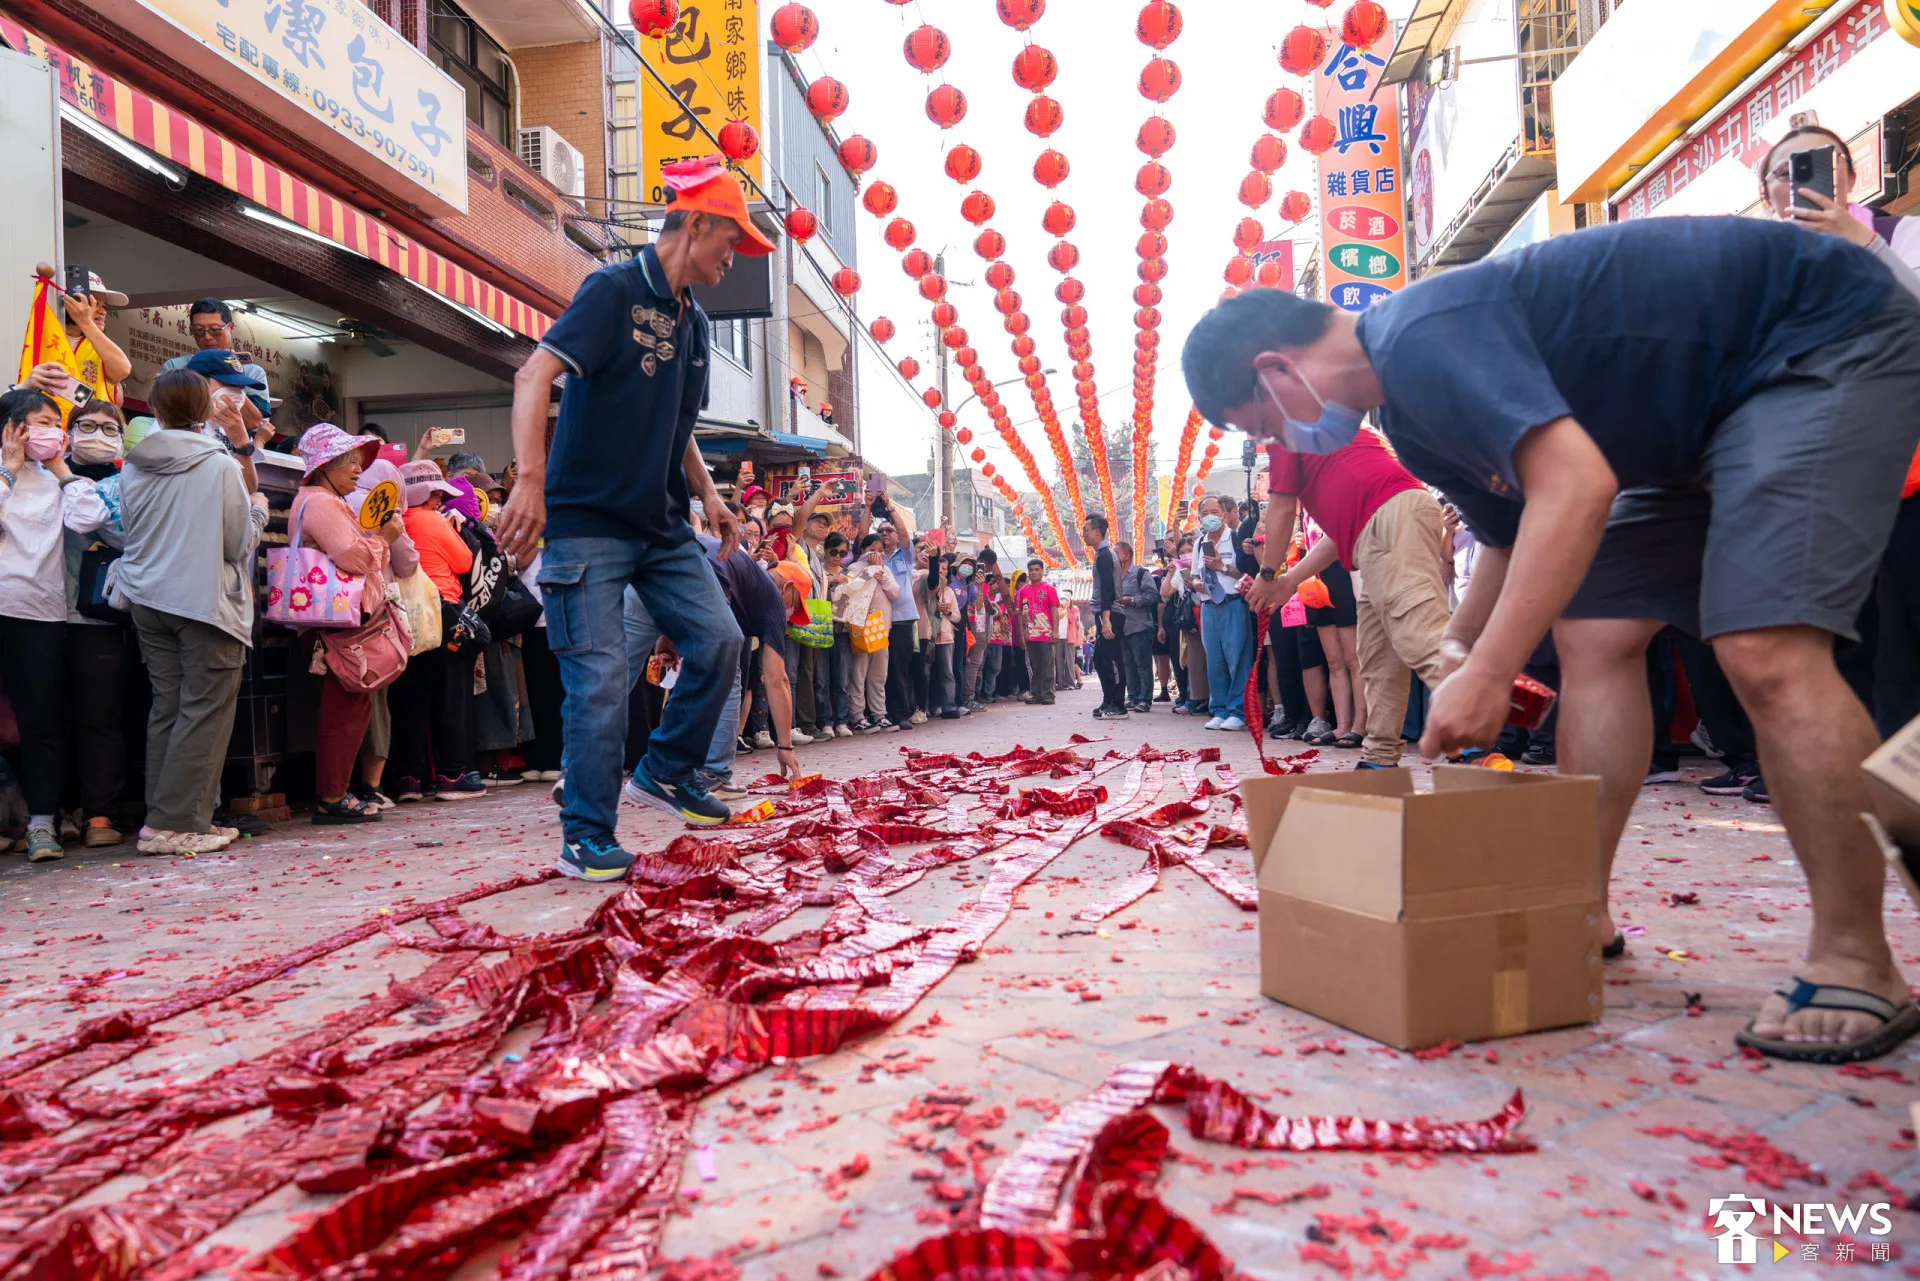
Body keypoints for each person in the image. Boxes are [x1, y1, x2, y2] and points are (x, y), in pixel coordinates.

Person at [1182, 215, 1920, 1062]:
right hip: (1679, 436)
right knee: (1595, 635)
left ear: (1275, 369)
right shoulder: (1413, 422)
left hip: (1813, 340)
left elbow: (1574, 486)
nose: (1285, 446)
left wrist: (1493, 669)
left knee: (1763, 645)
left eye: (1268, 428)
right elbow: (1505, 536)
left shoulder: (1420, 334)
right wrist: (1461, 651)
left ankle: (1858, 956)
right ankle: (1576, 902)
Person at [496, 156, 768, 880]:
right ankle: (586, 833)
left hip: (662, 526)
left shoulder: (697, 324)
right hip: (588, 526)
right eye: (730, 241)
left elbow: (677, 429)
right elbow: (534, 375)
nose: (732, 257)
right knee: (601, 681)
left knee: (718, 640)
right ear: (698, 224)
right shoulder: (610, 290)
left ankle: (669, 768)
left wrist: (708, 492)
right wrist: (530, 479)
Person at [116, 370, 268, 856]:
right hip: (204, 601)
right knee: (204, 711)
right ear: (204, 411)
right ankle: (179, 824)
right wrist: (259, 511)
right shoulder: (219, 465)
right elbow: (236, 542)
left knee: (168, 708)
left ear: (156, 412)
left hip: (147, 597)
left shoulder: (133, 466)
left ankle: (162, 820)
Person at [1241, 427, 1447, 767]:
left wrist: (1267, 575)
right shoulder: (1331, 432)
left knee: (1419, 632)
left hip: (1389, 519)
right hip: (1378, 528)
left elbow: (1280, 507)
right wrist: (1290, 579)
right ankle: (1379, 758)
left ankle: (1488, 719)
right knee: (1377, 654)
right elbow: (1340, 534)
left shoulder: (1290, 425)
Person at [0, 389, 108, 860]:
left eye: (55, 423)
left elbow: (92, 518)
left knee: (40, 719)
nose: (51, 430)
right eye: (40, 421)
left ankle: (42, 821)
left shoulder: (56, 481)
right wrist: (7, 467)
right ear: (12, 427)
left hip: (39, 612)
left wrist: (64, 470)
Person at [625, 539, 804, 801]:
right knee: (729, 675)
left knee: (616, 672)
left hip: (648, 567)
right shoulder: (772, 601)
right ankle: (713, 773)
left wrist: (669, 632)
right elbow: (777, 680)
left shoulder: (745, 582)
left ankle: (578, 772)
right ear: (788, 587)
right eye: (796, 605)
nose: (791, 613)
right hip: (699, 576)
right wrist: (785, 746)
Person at [289, 426, 404, 824]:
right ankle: (332, 796)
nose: (358, 469)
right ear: (324, 465)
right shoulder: (321, 503)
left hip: (339, 621)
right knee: (344, 711)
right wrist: (384, 537)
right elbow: (352, 557)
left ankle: (336, 792)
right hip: (336, 626)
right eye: (348, 461)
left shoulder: (326, 500)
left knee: (350, 709)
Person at [62, 401, 131, 849]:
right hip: (34, 609)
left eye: (110, 428)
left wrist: (80, 487)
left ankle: (99, 814)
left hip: (97, 614)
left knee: (99, 715)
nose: (99, 435)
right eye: (86, 426)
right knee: (43, 715)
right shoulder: (33, 472)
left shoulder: (125, 482)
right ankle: (48, 813)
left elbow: (124, 534)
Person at [858, 490, 921, 729]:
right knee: (876, 670)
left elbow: (904, 533)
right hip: (876, 620)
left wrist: (889, 507)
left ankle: (901, 713)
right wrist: (868, 506)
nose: (885, 534)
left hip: (902, 620)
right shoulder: (871, 557)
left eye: (889, 530)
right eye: (881, 531)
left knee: (899, 668)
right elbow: (863, 536)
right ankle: (879, 714)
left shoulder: (904, 555)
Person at [23, 271, 130, 410]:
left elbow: (122, 370)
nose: (102, 312)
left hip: (86, 428)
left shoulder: (99, 346)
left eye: (103, 306)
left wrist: (85, 322)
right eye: (95, 302)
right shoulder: (42, 333)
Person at [1193, 496, 1252, 731]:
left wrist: (1223, 567)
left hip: (1233, 603)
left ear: (1225, 514)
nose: (1210, 516)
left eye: (1215, 511)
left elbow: (1247, 574)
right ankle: (1219, 709)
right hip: (1209, 606)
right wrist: (1196, 582)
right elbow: (1196, 573)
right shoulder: (1200, 542)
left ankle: (1239, 711)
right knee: (1214, 661)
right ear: (1199, 517)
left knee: (1237, 659)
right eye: (1205, 512)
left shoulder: (1236, 538)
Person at [842, 532, 899, 732]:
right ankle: (857, 715)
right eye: (871, 550)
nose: (876, 554)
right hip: (860, 626)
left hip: (881, 627)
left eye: (880, 550)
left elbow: (894, 593)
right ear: (862, 551)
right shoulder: (854, 568)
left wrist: (881, 574)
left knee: (878, 674)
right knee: (858, 673)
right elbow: (850, 591)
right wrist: (868, 574)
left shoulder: (885, 569)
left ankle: (879, 714)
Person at [1085, 513, 1126, 719]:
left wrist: (1107, 619)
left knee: (1112, 659)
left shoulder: (1104, 555)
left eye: (1086, 530)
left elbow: (1108, 589)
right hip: (1105, 613)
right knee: (1100, 659)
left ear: (1097, 531)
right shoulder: (1101, 554)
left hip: (1111, 613)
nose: (1083, 534)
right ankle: (1108, 699)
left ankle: (1118, 704)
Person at [820, 530, 855, 736]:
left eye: (843, 553)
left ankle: (841, 721)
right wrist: (830, 581)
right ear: (826, 550)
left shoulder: (849, 575)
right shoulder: (818, 571)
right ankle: (825, 721)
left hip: (842, 631)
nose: (838, 556)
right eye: (834, 551)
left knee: (842, 680)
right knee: (822, 680)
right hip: (821, 629)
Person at [1115, 541, 1157, 712]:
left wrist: (1132, 600)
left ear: (1126, 555)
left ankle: (1145, 699)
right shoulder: (1114, 576)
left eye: (1116, 553)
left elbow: (1153, 595)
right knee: (1128, 664)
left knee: (1143, 664)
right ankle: (1133, 697)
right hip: (1122, 627)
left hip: (1140, 626)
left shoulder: (1140, 573)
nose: (1113, 556)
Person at [1018, 556, 1059, 706]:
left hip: (1046, 633)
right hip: (1030, 634)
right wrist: (1022, 634)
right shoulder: (1023, 591)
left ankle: (1048, 695)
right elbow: (1021, 613)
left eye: (1037, 570)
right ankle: (1035, 693)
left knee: (1047, 664)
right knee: (1034, 665)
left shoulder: (1050, 589)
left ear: (1042, 571)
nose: (1034, 572)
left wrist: (1055, 631)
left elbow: (1054, 611)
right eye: (1031, 570)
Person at [929, 554, 962, 718]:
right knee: (928, 672)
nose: (941, 572)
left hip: (946, 637)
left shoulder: (949, 592)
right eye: (938, 568)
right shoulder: (926, 589)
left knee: (947, 673)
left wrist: (947, 611)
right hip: (928, 636)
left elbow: (957, 617)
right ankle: (931, 706)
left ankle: (949, 706)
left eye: (944, 569)